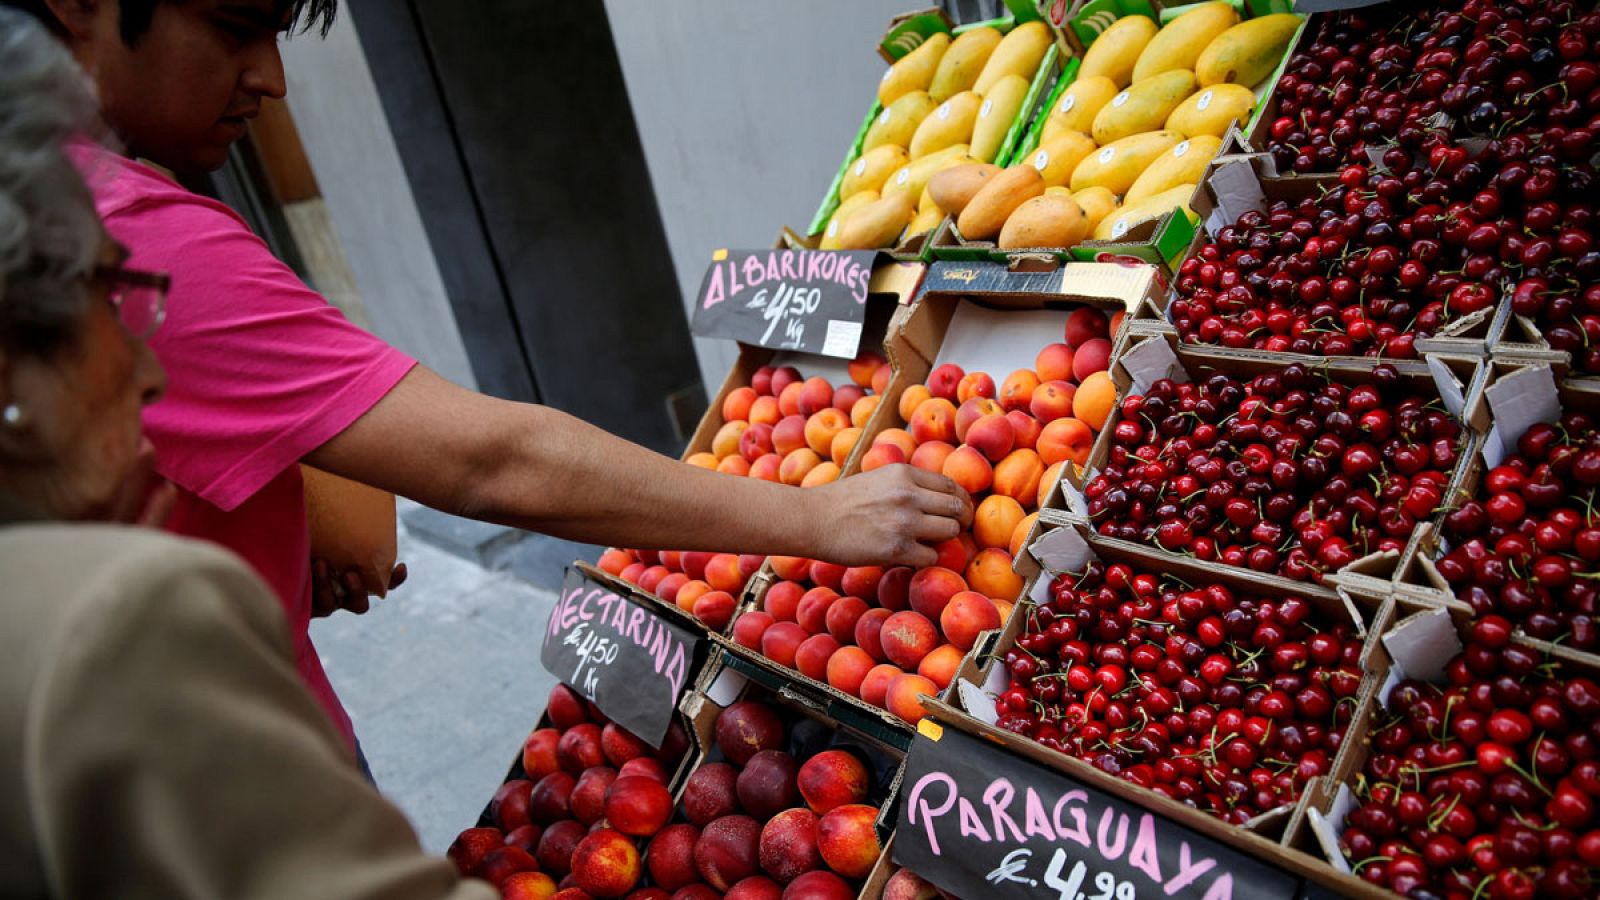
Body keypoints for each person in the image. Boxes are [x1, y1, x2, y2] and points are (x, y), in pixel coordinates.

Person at [3, 0, 974, 754]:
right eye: (232, 26)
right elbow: (489, 461)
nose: (271, 79)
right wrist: (815, 519)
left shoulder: (59, 211)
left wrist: (271, 530)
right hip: (209, 776)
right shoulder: (132, 242)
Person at [0, 15, 494, 895]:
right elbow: (485, 460)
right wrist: (811, 518)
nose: (149, 374)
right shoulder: (114, 628)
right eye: (107, 305)